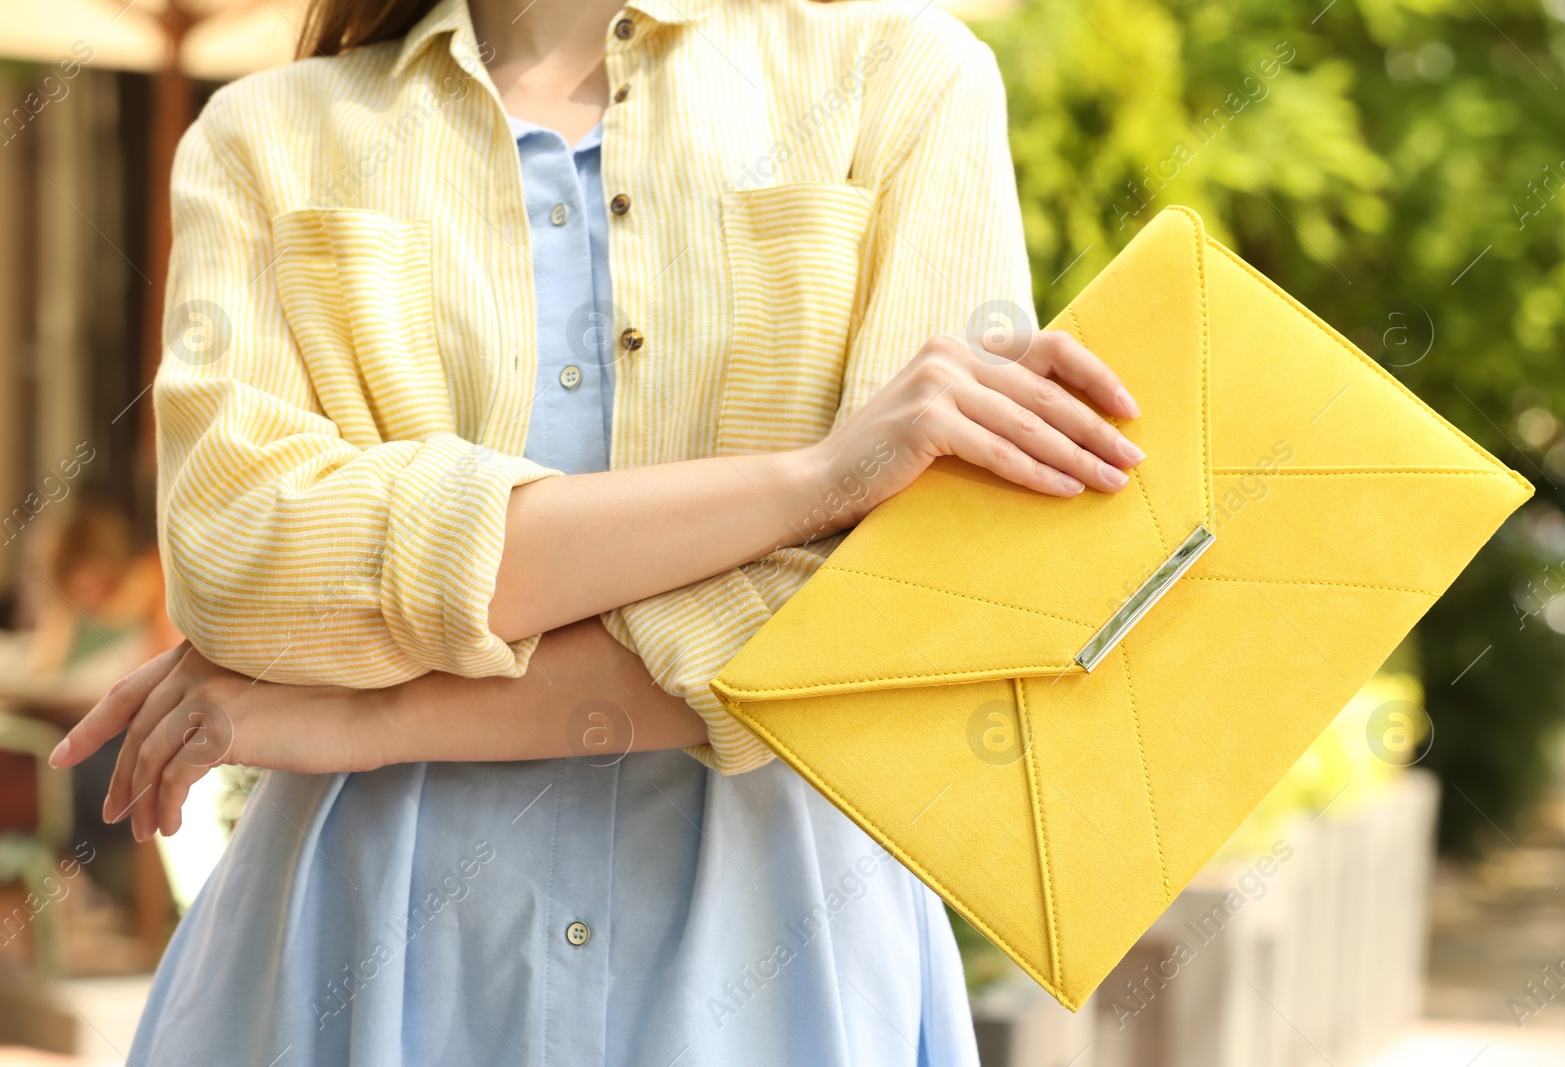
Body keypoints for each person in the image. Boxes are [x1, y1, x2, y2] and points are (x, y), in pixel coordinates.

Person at [52, 0, 1146, 1061]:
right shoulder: (265, 136)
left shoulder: (902, 80)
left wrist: (366, 713)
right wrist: (811, 483)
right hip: (357, 962)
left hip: (776, 970)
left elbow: (890, 629)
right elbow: (241, 565)